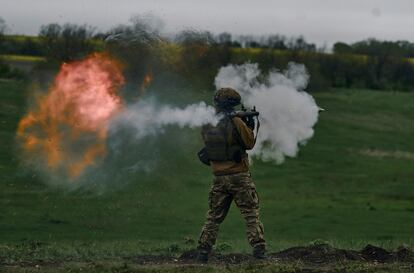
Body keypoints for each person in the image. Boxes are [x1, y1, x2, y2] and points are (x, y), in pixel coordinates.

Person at [196, 87, 266, 263]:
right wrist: (248, 125)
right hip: (238, 175)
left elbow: (211, 143)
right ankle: (259, 250)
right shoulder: (235, 121)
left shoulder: (207, 122)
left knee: (213, 216)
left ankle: (203, 252)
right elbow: (249, 143)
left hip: (219, 176)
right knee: (250, 213)